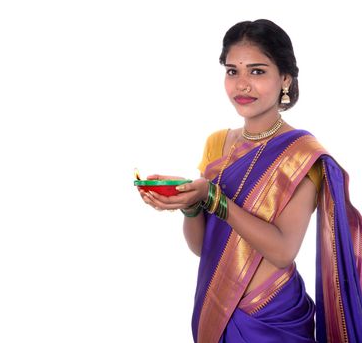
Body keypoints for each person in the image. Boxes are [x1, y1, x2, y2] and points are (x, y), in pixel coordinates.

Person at [138, 19, 362, 342]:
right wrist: (189, 205)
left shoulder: (302, 155)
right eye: (233, 71)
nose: (242, 84)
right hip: (217, 311)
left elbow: (284, 250)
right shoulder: (217, 145)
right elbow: (202, 247)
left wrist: (214, 199)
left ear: (285, 78)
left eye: (257, 72)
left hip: (274, 317)